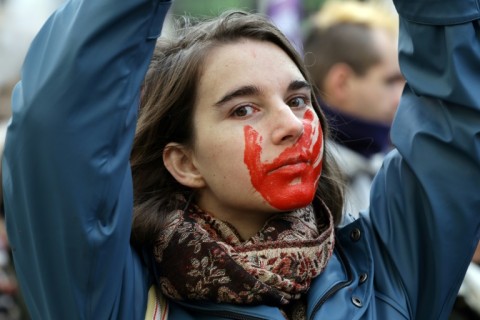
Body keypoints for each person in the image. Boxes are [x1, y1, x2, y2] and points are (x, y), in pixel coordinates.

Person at [2, 0, 480, 319]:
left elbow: (454, 122)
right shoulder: (112, 296)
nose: (292, 125)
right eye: (243, 108)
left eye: (297, 100)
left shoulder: (387, 273)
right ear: (183, 161)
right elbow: (56, 124)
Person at [303, 0, 404, 216]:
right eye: (391, 81)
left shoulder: (390, 166)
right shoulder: (305, 181)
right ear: (342, 83)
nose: (402, 97)